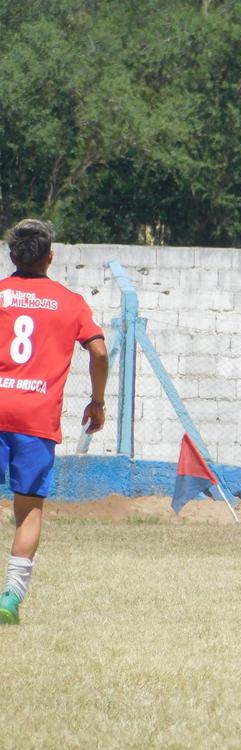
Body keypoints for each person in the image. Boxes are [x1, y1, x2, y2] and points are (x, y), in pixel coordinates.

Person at [0, 220, 108, 624]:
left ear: (12, 255)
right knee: (29, 508)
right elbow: (99, 352)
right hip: (35, 417)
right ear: (50, 256)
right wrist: (97, 402)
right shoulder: (70, 302)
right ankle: (10, 598)